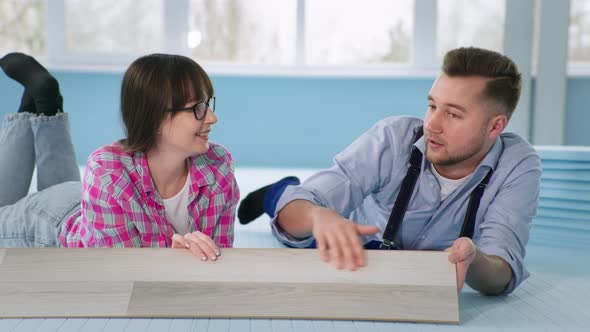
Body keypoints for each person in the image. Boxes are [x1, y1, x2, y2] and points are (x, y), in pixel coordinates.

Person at [238, 47, 541, 295]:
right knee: (301, 220)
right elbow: (308, 200)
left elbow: (502, 269)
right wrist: (318, 216)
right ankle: (275, 190)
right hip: (360, 242)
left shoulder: (518, 165)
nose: (432, 125)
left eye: (452, 114)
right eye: (432, 106)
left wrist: (474, 260)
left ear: (495, 126)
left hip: (423, 274)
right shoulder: (392, 139)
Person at [0, 53, 239, 261]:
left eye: (208, 104)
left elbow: (217, 257)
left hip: (93, 202)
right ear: (154, 116)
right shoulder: (106, 171)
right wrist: (171, 257)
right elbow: (122, 271)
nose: (211, 118)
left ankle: (46, 103)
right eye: (197, 107)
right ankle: (37, 104)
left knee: (59, 185)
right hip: (51, 222)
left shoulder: (218, 166)